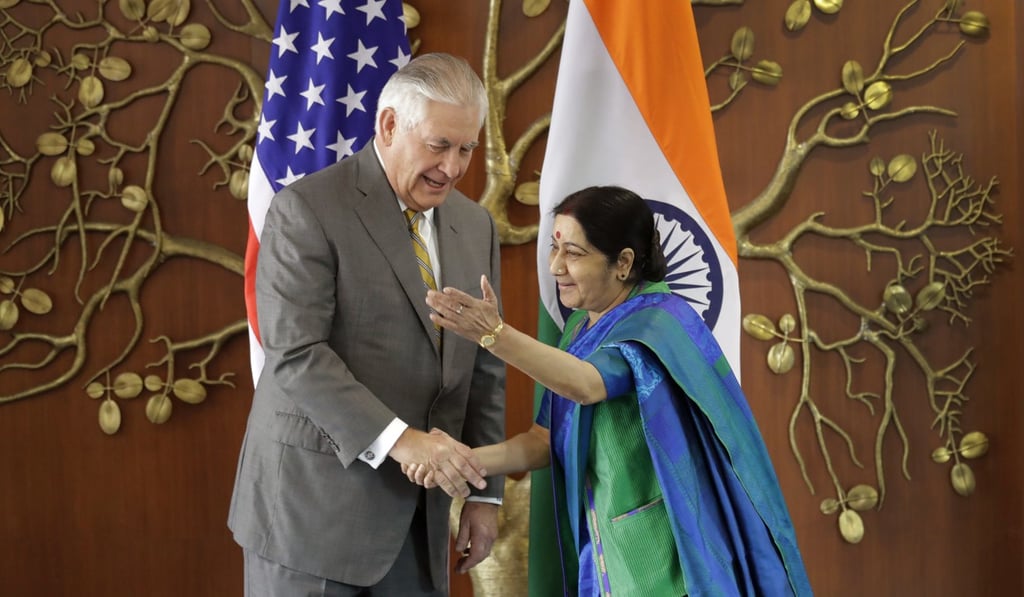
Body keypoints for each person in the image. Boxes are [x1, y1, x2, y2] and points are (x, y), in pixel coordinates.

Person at [411, 185, 813, 596]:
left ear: (623, 262)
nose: (554, 266)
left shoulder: (658, 324)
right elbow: (542, 440)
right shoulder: (578, 328)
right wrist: (462, 460)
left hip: (666, 557)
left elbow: (588, 384)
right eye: (554, 247)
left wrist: (494, 335)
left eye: (573, 253)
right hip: (605, 555)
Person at [228, 53, 507, 596]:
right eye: (438, 145)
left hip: (420, 526)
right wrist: (403, 442)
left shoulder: (476, 226)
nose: (452, 167)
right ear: (388, 125)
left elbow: (485, 367)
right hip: (310, 519)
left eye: (466, 149)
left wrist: (485, 494)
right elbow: (296, 354)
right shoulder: (306, 209)